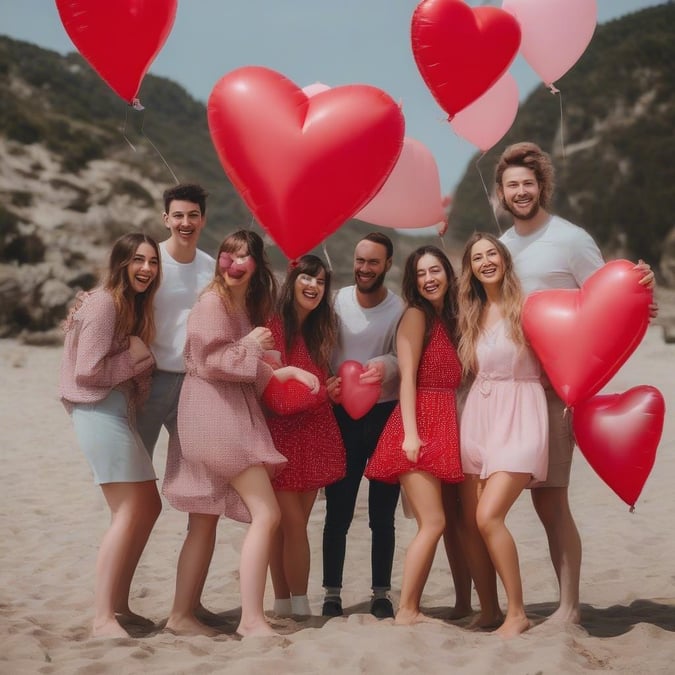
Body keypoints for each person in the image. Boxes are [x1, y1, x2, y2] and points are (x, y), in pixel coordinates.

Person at [494, 141, 656, 624]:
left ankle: (568, 607)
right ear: (501, 193)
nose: (520, 192)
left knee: (551, 500)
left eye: (528, 183)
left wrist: (642, 285)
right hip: (511, 389)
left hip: (557, 391)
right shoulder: (502, 246)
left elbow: (610, 302)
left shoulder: (571, 238)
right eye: (512, 185)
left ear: (542, 185)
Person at [161, 230, 319, 637]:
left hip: (209, 413)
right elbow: (213, 360)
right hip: (217, 417)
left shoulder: (238, 304)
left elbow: (241, 365)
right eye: (228, 254)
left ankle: (181, 616)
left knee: (203, 520)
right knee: (267, 513)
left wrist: (285, 370)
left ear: (256, 265)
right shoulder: (214, 302)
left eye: (243, 255)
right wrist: (251, 342)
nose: (233, 262)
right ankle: (251, 619)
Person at [60, 232, 162, 638]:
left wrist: (136, 357)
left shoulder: (127, 306)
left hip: (115, 412)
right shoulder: (104, 303)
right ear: (121, 263)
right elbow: (87, 371)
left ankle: (119, 604)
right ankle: (102, 617)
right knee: (128, 510)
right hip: (97, 411)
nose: (147, 269)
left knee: (149, 505)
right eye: (139, 260)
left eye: (153, 262)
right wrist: (135, 359)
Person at [365, 245, 464, 625]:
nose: (429, 279)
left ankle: (459, 603)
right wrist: (410, 434)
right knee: (434, 522)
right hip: (417, 424)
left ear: (447, 274)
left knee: (450, 522)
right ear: (413, 281)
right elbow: (406, 380)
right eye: (421, 273)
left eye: (435, 270)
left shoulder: (452, 318)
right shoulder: (415, 316)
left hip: (447, 425)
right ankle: (407, 609)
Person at [457, 232, 548, 638]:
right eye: (477, 258)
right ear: (471, 269)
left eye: (492, 253)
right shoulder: (470, 312)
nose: (486, 261)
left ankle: (517, 612)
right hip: (479, 417)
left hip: (521, 413)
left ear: (505, 259)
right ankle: (490, 610)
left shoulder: (528, 307)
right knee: (474, 524)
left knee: (489, 516)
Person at [135, 183, 216, 620]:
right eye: (178, 215)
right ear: (166, 218)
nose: (186, 223)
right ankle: (118, 604)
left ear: (203, 219)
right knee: (134, 494)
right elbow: (116, 301)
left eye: (193, 215)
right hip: (147, 385)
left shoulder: (209, 269)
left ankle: (191, 602)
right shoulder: (151, 262)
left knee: (201, 494)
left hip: (195, 388)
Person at [321, 232, 404, 619]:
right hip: (340, 417)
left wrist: (387, 365)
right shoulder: (335, 301)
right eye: (359, 260)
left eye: (373, 262)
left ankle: (381, 593)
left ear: (387, 264)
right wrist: (328, 382)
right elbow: (318, 348)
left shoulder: (399, 309)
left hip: (385, 416)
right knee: (337, 510)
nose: (364, 268)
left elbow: (408, 356)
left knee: (381, 514)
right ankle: (331, 594)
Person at [265, 255, 346, 619]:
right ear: (293, 279)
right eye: (307, 278)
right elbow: (280, 399)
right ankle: (298, 603)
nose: (313, 286)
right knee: (289, 524)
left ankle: (284, 604)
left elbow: (322, 386)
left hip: (315, 435)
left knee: (291, 526)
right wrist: (322, 394)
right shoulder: (272, 325)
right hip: (278, 436)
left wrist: (334, 390)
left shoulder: (322, 329)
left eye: (321, 281)